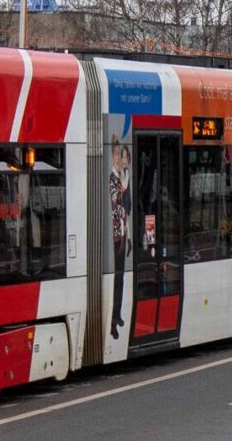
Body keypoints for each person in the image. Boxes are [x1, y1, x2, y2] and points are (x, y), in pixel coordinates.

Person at [109, 136, 127, 339]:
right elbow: (116, 204)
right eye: (116, 154)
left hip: (122, 233)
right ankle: (114, 318)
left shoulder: (121, 176)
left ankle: (118, 314)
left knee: (121, 276)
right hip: (116, 234)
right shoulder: (113, 178)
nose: (119, 158)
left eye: (121, 154)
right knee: (117, 276)